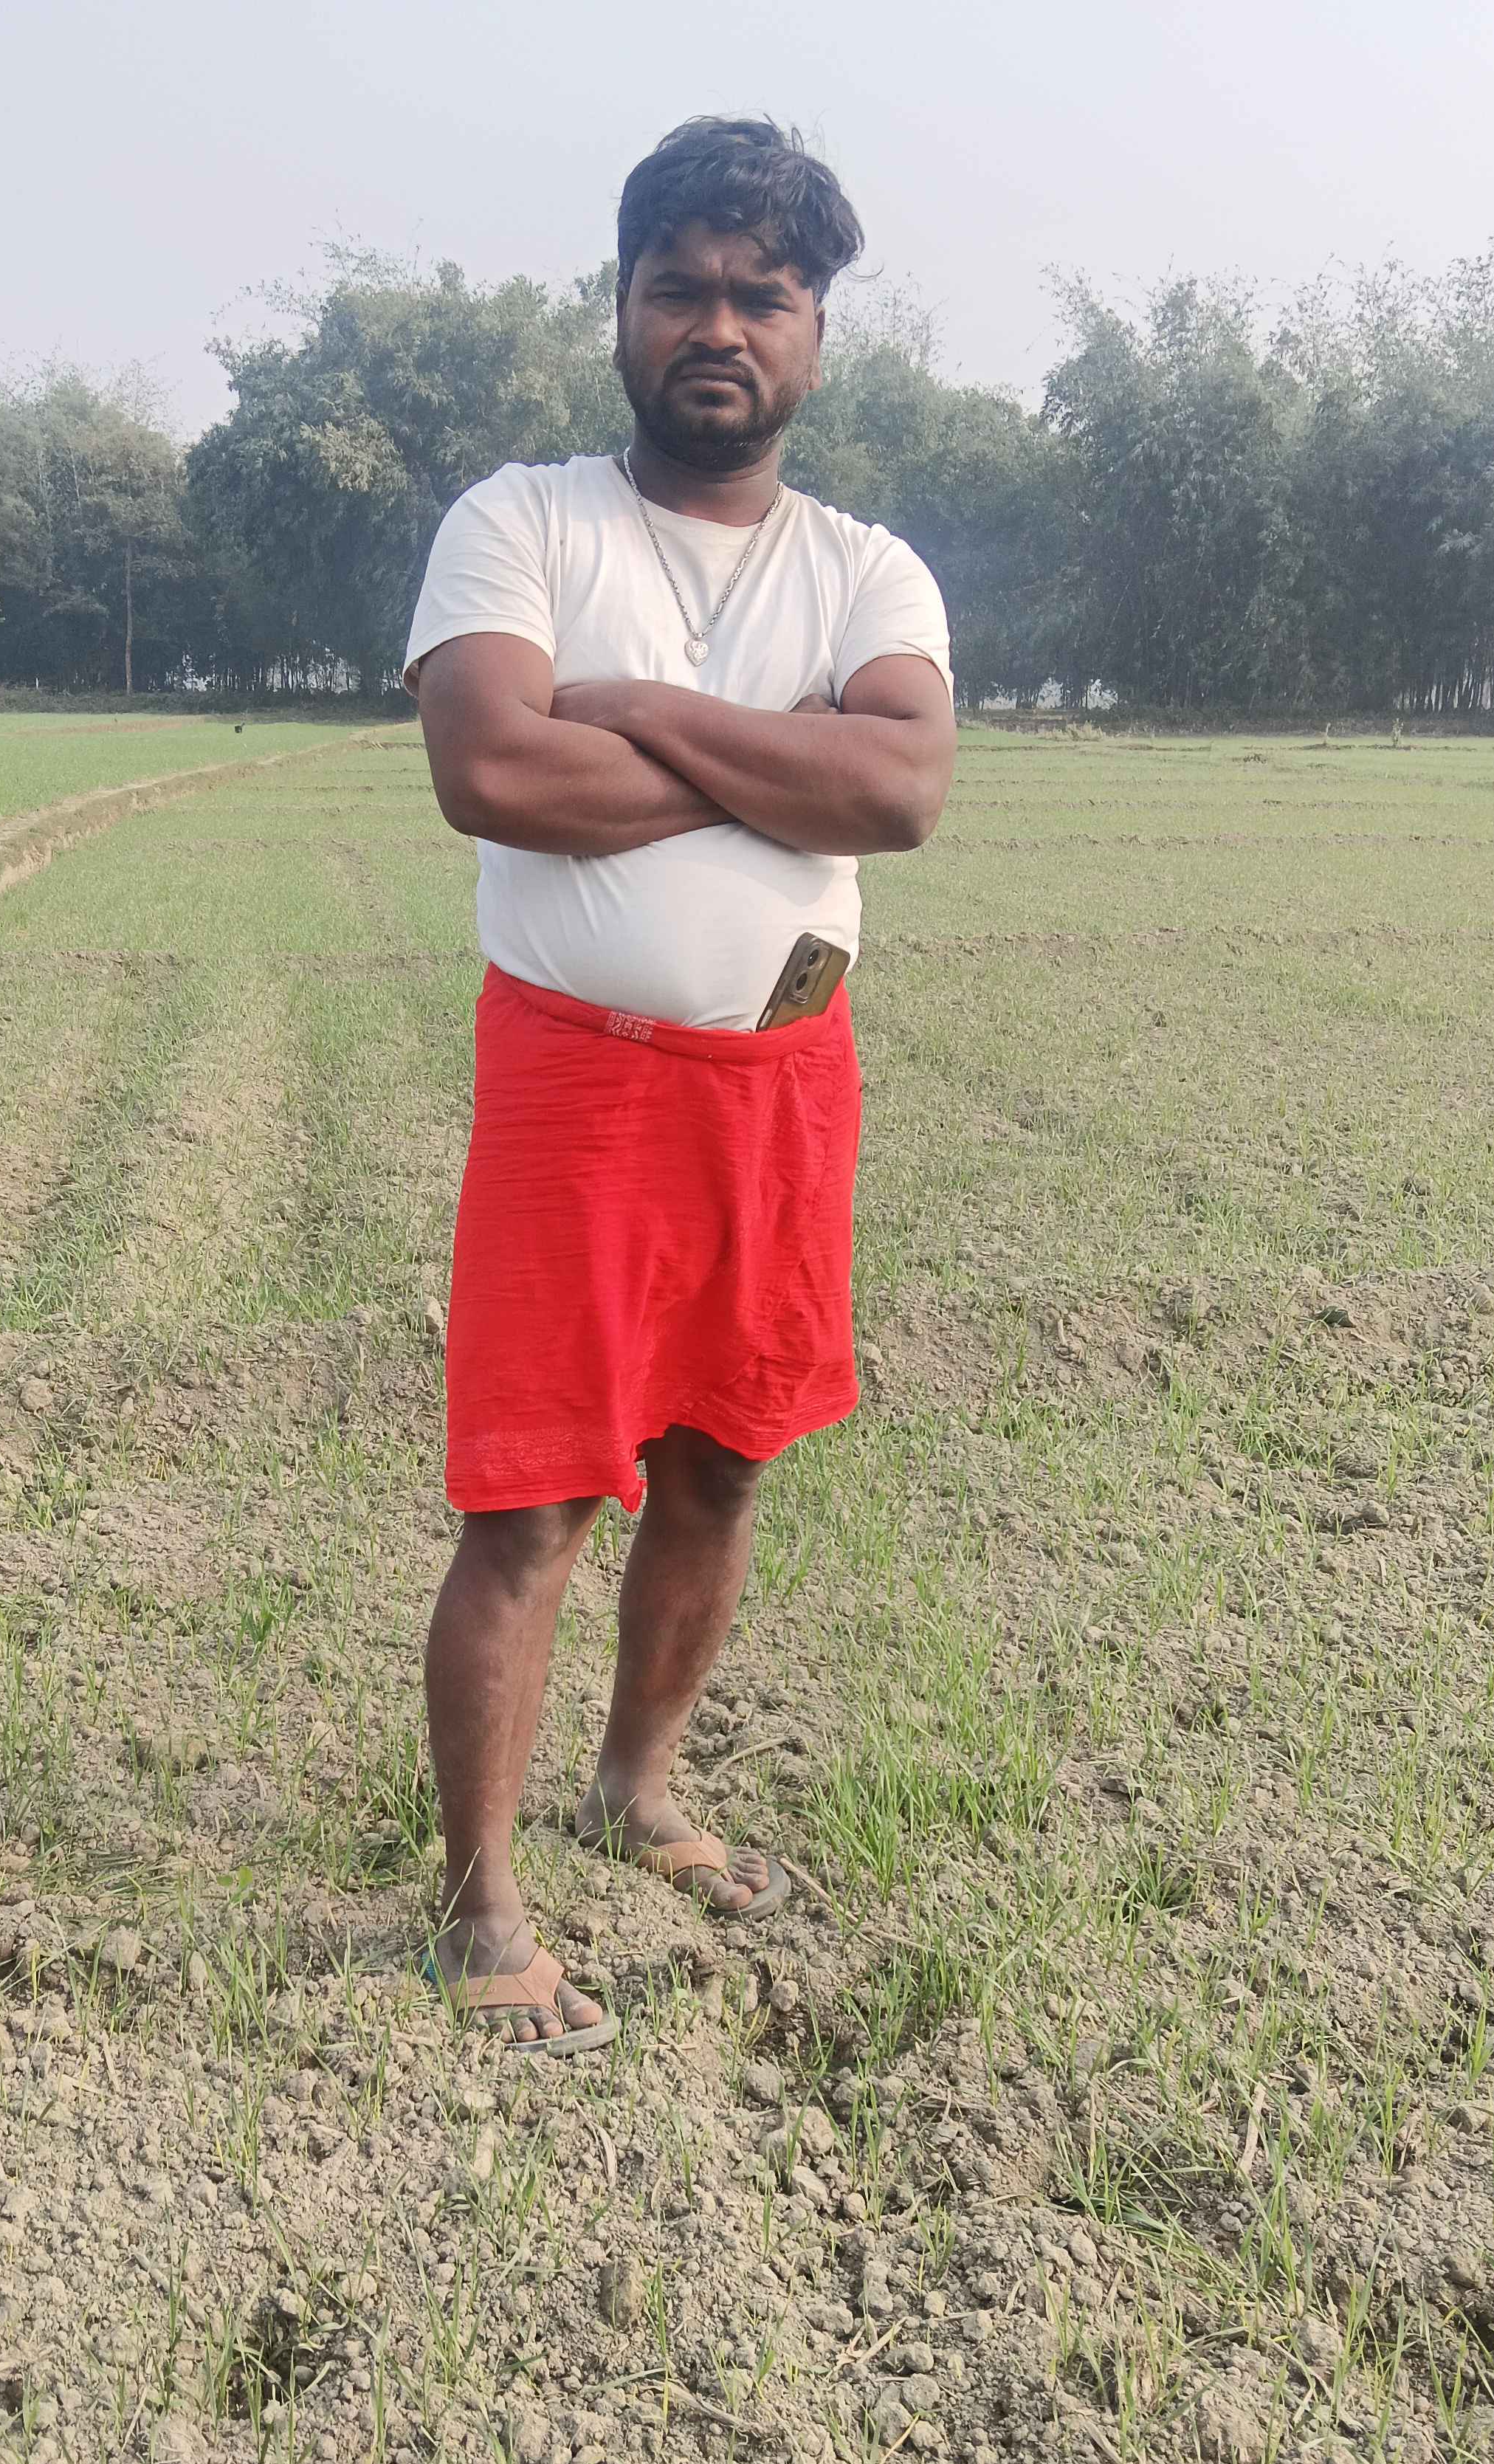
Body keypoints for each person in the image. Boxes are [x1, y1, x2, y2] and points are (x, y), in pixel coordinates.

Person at [404, 114, 957, 2051]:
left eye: (761, 296)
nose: (718, 325)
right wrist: (774, 754)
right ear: (623, 309)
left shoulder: (869, 568)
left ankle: (634, 1788)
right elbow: (494, 771)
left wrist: (632, 710)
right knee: (537, 1494)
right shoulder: (521, 523)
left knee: (723, 1460)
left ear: (814, 332)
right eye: (681, 289)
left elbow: (898, 792)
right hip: (578, 1083)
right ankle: (480, 1898)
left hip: (785, 1088)